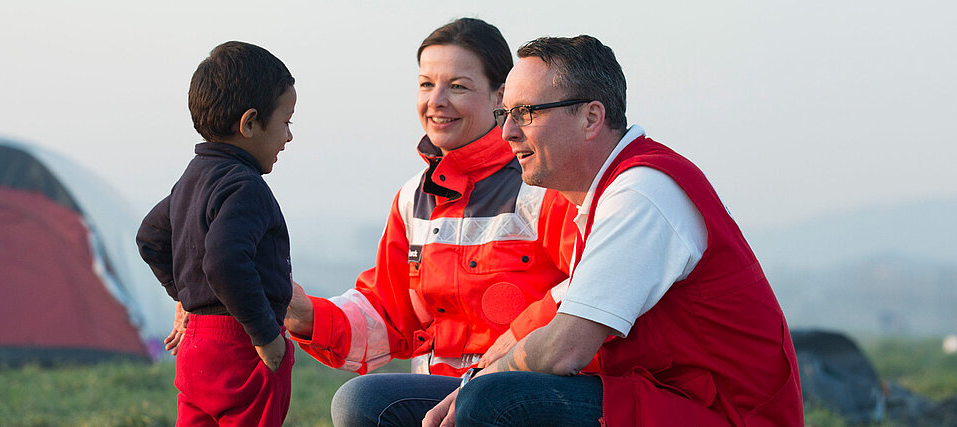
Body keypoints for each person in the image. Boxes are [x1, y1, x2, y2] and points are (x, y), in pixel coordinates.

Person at [423, 35, 804, 426]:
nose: (508, 133)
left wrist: (483, 378)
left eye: (526, 112)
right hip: (654, 399)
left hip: (720, 415)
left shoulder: (643, 191)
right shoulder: (596, 198)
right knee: (374, 400)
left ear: (591, 117)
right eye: (505, 114)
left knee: (496, 400)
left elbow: (564, 350)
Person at [282, 18, 580, 426]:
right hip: (437, 399)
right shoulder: (412, 199)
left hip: (524, 393)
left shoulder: (543, 188)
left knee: (361, 401)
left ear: (501, 97)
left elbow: (587, 291)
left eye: (457, 86)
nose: (436, 100)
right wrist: (303, 312)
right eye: (426, 84)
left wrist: (510, 354)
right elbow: (388, 316)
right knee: (359, 402)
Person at [135, 41, 297, 427]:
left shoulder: (192, 178)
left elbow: (150, 238)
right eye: (286, 121)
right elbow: (224, 260)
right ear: (250, 123)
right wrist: (265, 336)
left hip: (197, 348)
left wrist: (189, 297)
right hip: (242, 346)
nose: (289, 137)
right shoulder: (246, 186)